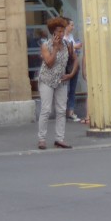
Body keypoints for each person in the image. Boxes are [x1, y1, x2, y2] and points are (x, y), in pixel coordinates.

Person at [36, 17, 74, 150]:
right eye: (58, 31)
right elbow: (49, 63)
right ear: (53, 31)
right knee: (46, 110)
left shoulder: (68, 45)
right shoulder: (46, 45)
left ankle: (59, 138)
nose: (61, 34)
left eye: (63, 31)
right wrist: (56, 49)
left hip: (61, 80)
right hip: (46, 80)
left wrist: (71, 74)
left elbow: (75, 61)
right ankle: (42, 139)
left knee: (61, 110)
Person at [62, 19, 83, 122]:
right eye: (71, 25)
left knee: (72, 89)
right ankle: (63, 111)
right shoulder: (62, 37)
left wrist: (75, 46)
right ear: (66, 26)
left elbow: (73, 48)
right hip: (65, 66)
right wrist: (75, 46)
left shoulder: (70, 37)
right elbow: (65, 47)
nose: (73, 27)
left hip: (73, 64)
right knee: (65, 89)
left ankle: (70, 111)